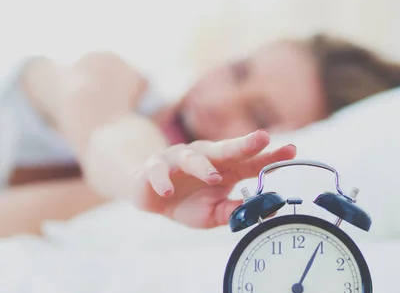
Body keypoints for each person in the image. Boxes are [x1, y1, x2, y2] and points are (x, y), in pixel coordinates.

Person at [0, 34, 399, 236]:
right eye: (237, 71)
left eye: (258, 114)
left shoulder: (133, 205)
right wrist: (146, 169)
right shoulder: (109, 77)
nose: (218, 101)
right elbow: (108, 134)